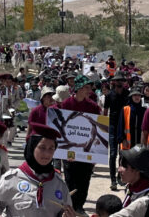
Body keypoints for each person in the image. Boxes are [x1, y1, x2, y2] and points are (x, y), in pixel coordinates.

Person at [0, 123, 76, 217]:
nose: (47, 154)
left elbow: (64, 211)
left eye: (51, 148)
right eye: (42, 147)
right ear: (32, 147)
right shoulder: (12, 179)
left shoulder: (59, 184)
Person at [61, 74, 101, 215]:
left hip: (87, 149)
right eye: (86, 87)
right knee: (70, 178)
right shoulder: (66, 105)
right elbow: (62, 127)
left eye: (89, 88)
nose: (89, 90)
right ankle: (70, 206)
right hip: (70, 149)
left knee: (84, 178)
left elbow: (98, 129)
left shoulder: (93, 107)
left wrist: (96, 154)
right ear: (78, 88)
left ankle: (80, 206)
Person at [104, 71, 130, 190]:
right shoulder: (109, 95)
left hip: (125, 127)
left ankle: (120, 176)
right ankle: (113, 180)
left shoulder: (128, 94)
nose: (119, 83)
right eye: (117, 81)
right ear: (114, 82)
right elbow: (105, 112)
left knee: (122, 154)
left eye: (121, 81)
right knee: (113, 153)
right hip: (112, 126)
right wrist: (103, 128)